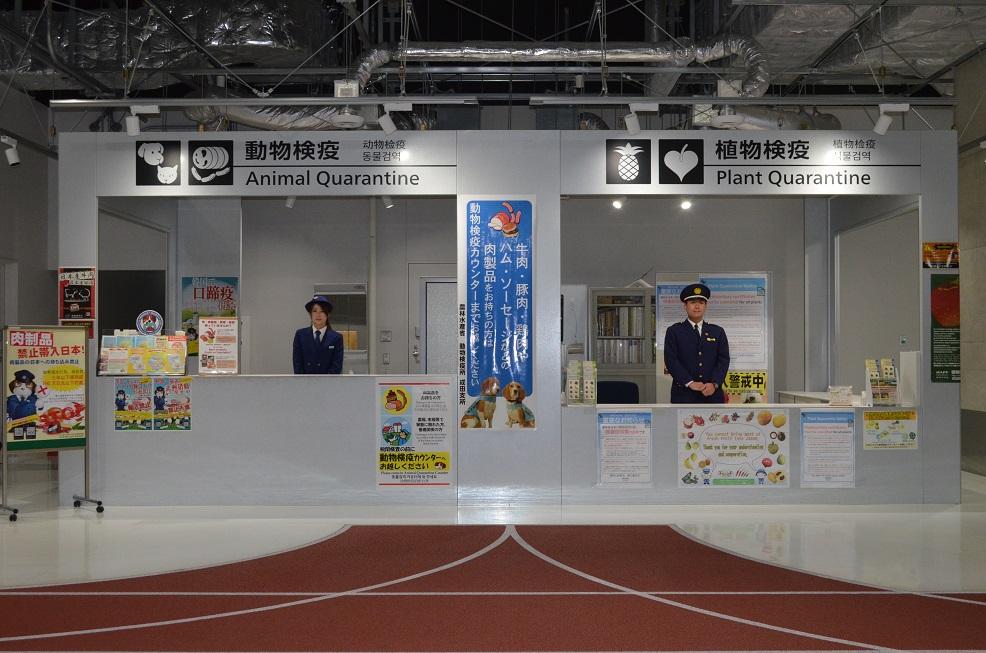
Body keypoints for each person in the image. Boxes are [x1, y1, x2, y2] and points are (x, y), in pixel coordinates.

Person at [663, 283, 730, 403]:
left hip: (712, 394)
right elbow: (671, 360)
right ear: (685, 306)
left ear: (706, 306)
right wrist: (690, 382)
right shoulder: (674, 331)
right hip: (684, 394)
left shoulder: (717, 331)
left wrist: (714, 384)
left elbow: (723, 360)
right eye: (693, 302)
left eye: (701, 302)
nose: (697, 306)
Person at [293, 294, 344, 374]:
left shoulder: (336, 338)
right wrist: (304, 383)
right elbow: (297, 364)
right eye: (315, 311)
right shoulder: (300, 335)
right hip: (305, 383)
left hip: (328, 383)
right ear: (310, 314)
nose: (318, 314)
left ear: (327, 315)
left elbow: (336, 367)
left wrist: (323, 384)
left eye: (322, 311)